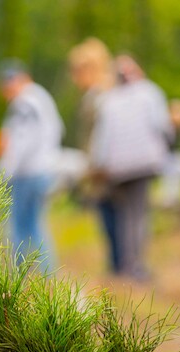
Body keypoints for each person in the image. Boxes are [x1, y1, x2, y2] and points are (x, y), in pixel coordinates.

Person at [90, 54, 173, 280]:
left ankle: (124, 265)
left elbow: (102, 139)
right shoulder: (149, 93)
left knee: (124, 215)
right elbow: (163, 126)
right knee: (138, 216)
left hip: (117, 169)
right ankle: (135, 266)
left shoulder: (109, 100)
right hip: (143, 163)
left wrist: (100, 165)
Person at [0, 60, 64, 274]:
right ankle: (46, 275)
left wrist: (4, 171)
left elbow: (21, 142)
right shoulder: (42, 98)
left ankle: (24, 277)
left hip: (28, 173)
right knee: (35, 224)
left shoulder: (25, 102)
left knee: (22, 227)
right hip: (43, 169)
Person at [68, 38, 118, 272]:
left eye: (77, 70)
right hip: (102, 167)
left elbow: (101, 134)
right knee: (110, 218)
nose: (74, 76)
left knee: (114, 218)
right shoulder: (101, 93)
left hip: (106, 168)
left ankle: (120, 268)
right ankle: (117, 266)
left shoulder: (102, 95)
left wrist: (94, 163)